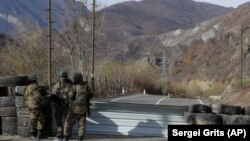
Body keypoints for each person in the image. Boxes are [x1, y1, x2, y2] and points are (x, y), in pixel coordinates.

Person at [63, 73, 93, 141]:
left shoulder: (73, 86)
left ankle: (65, 138)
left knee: (67, 123)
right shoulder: (86, 86)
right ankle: (80, 139)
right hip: (83, 109)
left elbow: (70, 96)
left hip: (73, 109)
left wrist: (67, 93)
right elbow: (91, 94)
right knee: (82, 126)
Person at [51, 71, 73, 139]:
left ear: (66, 77)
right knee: (58, 119)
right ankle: (60, 132)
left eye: (63, 77)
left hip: (66, 105)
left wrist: (65, 98)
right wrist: (53, 96)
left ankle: (67, 133)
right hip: (58, 105)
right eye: (60, 77)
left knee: (68, 120)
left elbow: (71, 96)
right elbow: (53, 93)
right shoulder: (56, 85)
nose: (61, 78)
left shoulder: (70, 85)